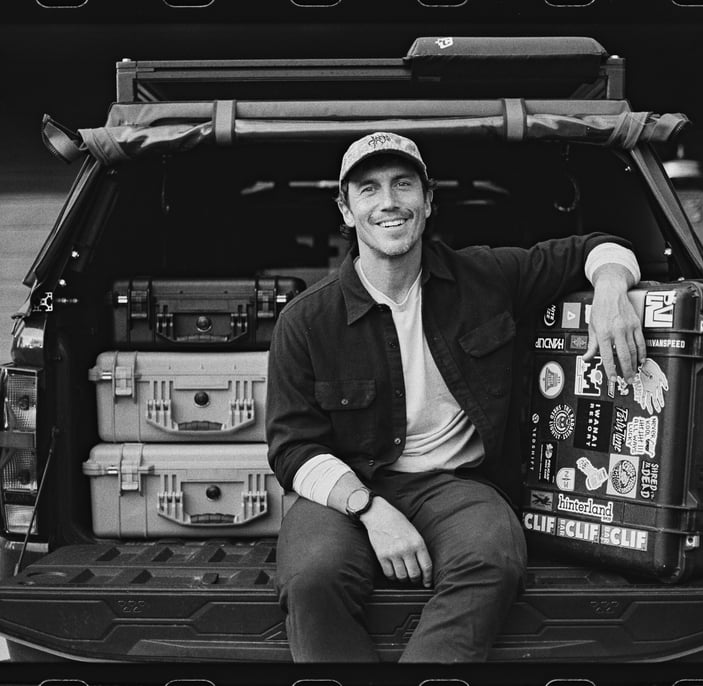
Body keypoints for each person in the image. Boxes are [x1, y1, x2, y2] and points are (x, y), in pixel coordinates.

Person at [265, 132, 646, 662]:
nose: (389, 202)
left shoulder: (486, 276)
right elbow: (292, 449)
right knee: (312, 578)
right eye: (369, 189)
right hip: (349, 488)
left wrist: (609, 291)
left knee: (492, 560)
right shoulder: (305, 321)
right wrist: (370, 508)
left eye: (403, 184)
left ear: (428, 200)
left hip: (458, 485)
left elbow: (602, 247)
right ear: (346, 211)